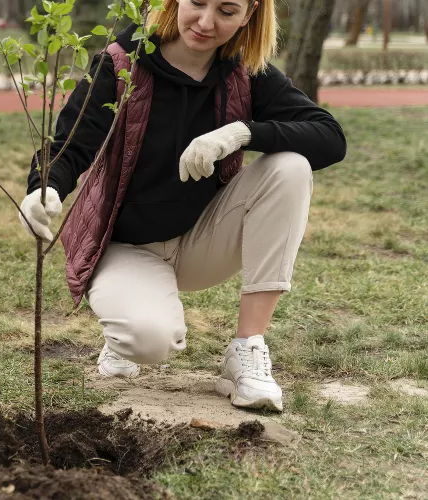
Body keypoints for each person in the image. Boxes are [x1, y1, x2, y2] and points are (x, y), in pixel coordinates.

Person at [19, 0, 346, 412]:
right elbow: (68, 148)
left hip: (203, 243)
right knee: (148, 341)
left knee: (291, 167)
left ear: (249, 15)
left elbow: (330, 137)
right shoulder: (121, 65)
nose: (206, 22)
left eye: (227, 11)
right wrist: (43, 188)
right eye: (197, 3)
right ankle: (126, 329)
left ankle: (246, 350)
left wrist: (242, 132)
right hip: (127, 247)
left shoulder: (247, 73)